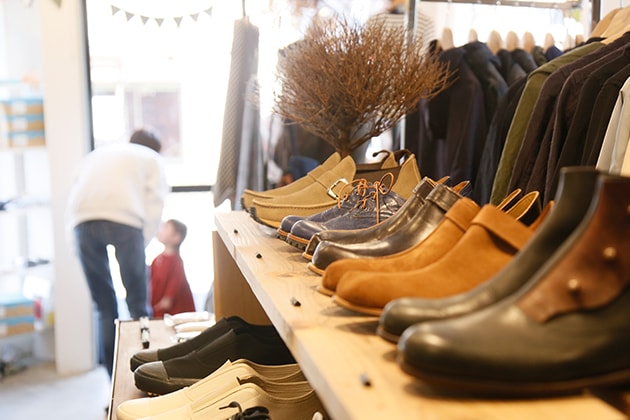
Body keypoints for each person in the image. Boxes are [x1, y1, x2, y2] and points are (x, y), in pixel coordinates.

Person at [66, 128, 168, 378]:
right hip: (125, 220)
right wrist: (142, 242)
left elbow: (74, 193)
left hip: (82, 221)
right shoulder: (151, 158)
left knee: (104, 308)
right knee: (138, 306)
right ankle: (143, 375)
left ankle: (113, 382)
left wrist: (74, 242)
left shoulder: (98, 154)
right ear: (156, 148)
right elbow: (155, 202)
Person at [150, 219, 196, 318]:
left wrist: (152, 311)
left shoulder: (176, 263)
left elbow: (167, 302)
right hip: (159, 316)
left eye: (166, 227)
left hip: (173, 318)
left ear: (176, 237)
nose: (161, 229)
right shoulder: (156, 260)